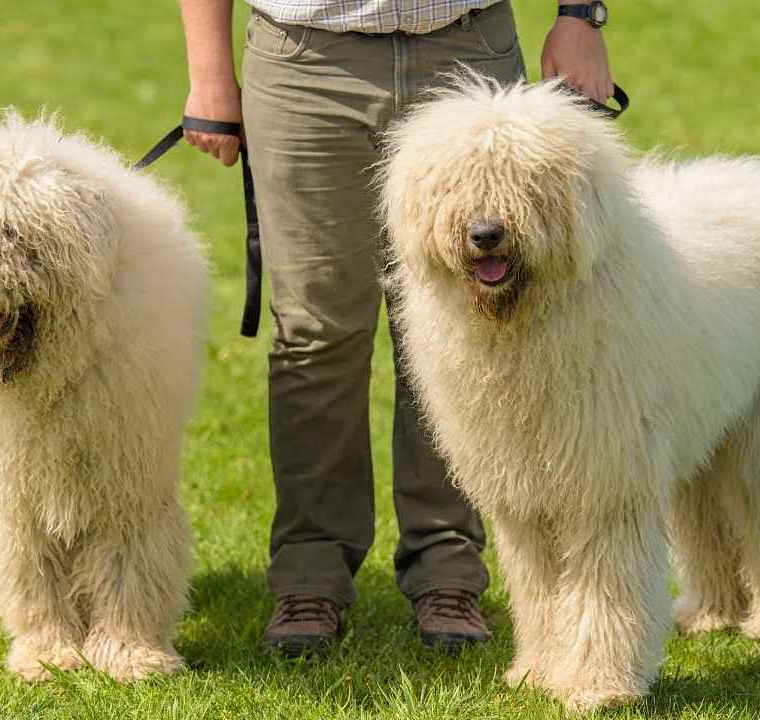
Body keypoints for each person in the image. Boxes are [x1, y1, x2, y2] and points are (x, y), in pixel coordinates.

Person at [177, 0, 615, 656]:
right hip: (308, 61)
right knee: (315, 333)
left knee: (468, 328)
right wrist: (209, 71)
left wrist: (580, 16)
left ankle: (448, 570)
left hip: (468, 49)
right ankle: (310, 574)